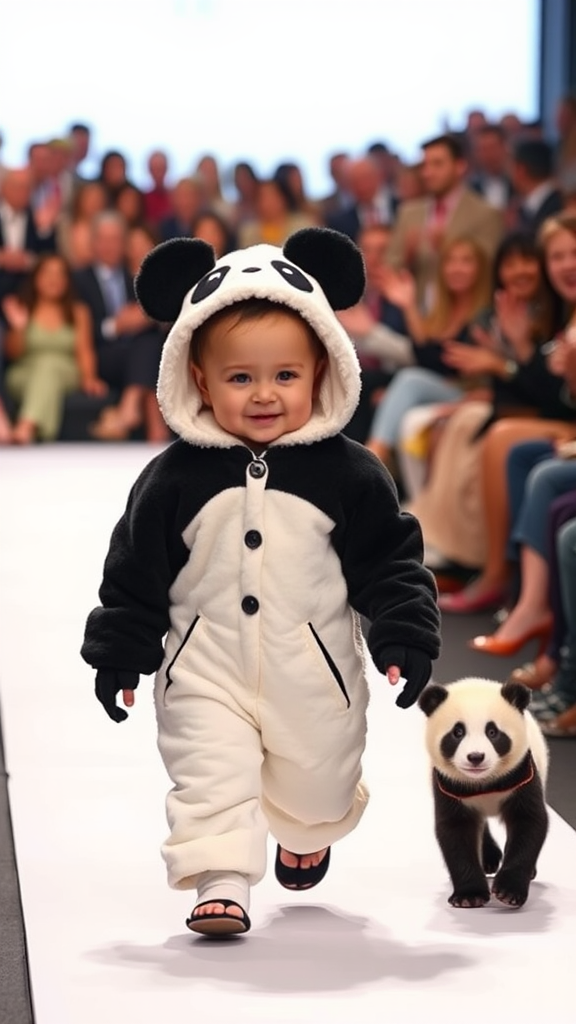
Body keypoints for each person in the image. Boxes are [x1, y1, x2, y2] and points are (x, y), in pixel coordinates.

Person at [80, 227, 440, 937]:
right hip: (204, 665)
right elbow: (134, 572)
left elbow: (390, 560)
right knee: (210, 772)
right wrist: (121, 649)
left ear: (323, 372)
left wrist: (402, 630)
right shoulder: (172, 479)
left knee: (318, 781)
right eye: (240, 378)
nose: (264, 395)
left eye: (285, 376)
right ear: (199, 380)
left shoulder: (349, 473)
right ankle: (220, 877)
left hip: (314, 672)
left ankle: (307, 827)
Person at [435, 210, 576, 613]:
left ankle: (500, 575)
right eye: (557, 257)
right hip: (546, 414)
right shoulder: (556, 312)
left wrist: (510, 359)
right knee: (457, 425)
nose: (565, 265)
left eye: (573, 254)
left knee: (499, 438)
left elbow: (547, 393)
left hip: (556, 421)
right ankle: (468, 559)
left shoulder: (553, 313)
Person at [365, 235, 492, 475]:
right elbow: (426, 355)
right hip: (441, 389)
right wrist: (409, 306)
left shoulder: (486, 315)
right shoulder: (442, 312)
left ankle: (373, 457)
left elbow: (454, 366)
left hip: (471, 393)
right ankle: (381, 468)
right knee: (386, 388)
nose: (457, 268)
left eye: (466, 261)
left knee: (410, 380)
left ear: (481, 268)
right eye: (451, 261)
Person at [386, 133, 503, 308]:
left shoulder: (485, 214)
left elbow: (488, 270)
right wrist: (408, 258)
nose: (427, 173)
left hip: (465, 315)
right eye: (424, 166)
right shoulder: (408, 213)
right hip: (414, 314)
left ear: (460, 166)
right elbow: (389, 267)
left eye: (437, 164)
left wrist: (446, 247)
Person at [3, 253, 105, 442]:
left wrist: (89, 378)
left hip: (66, 371)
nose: (53, 279)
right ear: (35, 278)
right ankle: (32, 428)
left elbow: (84, 350)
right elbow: (13, 354)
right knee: (43, 369)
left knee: (48, 366)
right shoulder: (21, 307)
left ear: (67, 281)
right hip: (25, 372)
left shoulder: (78, 312)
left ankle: (26, 426)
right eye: (47, 273)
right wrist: (19, 328)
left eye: (60, 274)